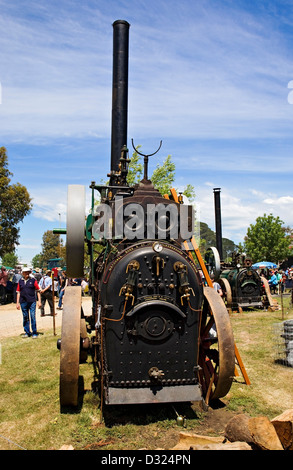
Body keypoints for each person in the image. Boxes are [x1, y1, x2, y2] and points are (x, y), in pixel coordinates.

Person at [16, 267, 41, 338]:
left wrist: (39, 301)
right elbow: (18, 292)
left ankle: (34, 332)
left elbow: (38, 291)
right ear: (23, 273)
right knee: (25, 317)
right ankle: (27, 332)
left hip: (32, 301)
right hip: (23, 302)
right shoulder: (20, 281)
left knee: (33, 316)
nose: (27, 273)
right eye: (25, 272)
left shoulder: (33, 280)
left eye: (28, 272)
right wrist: (17, 303)